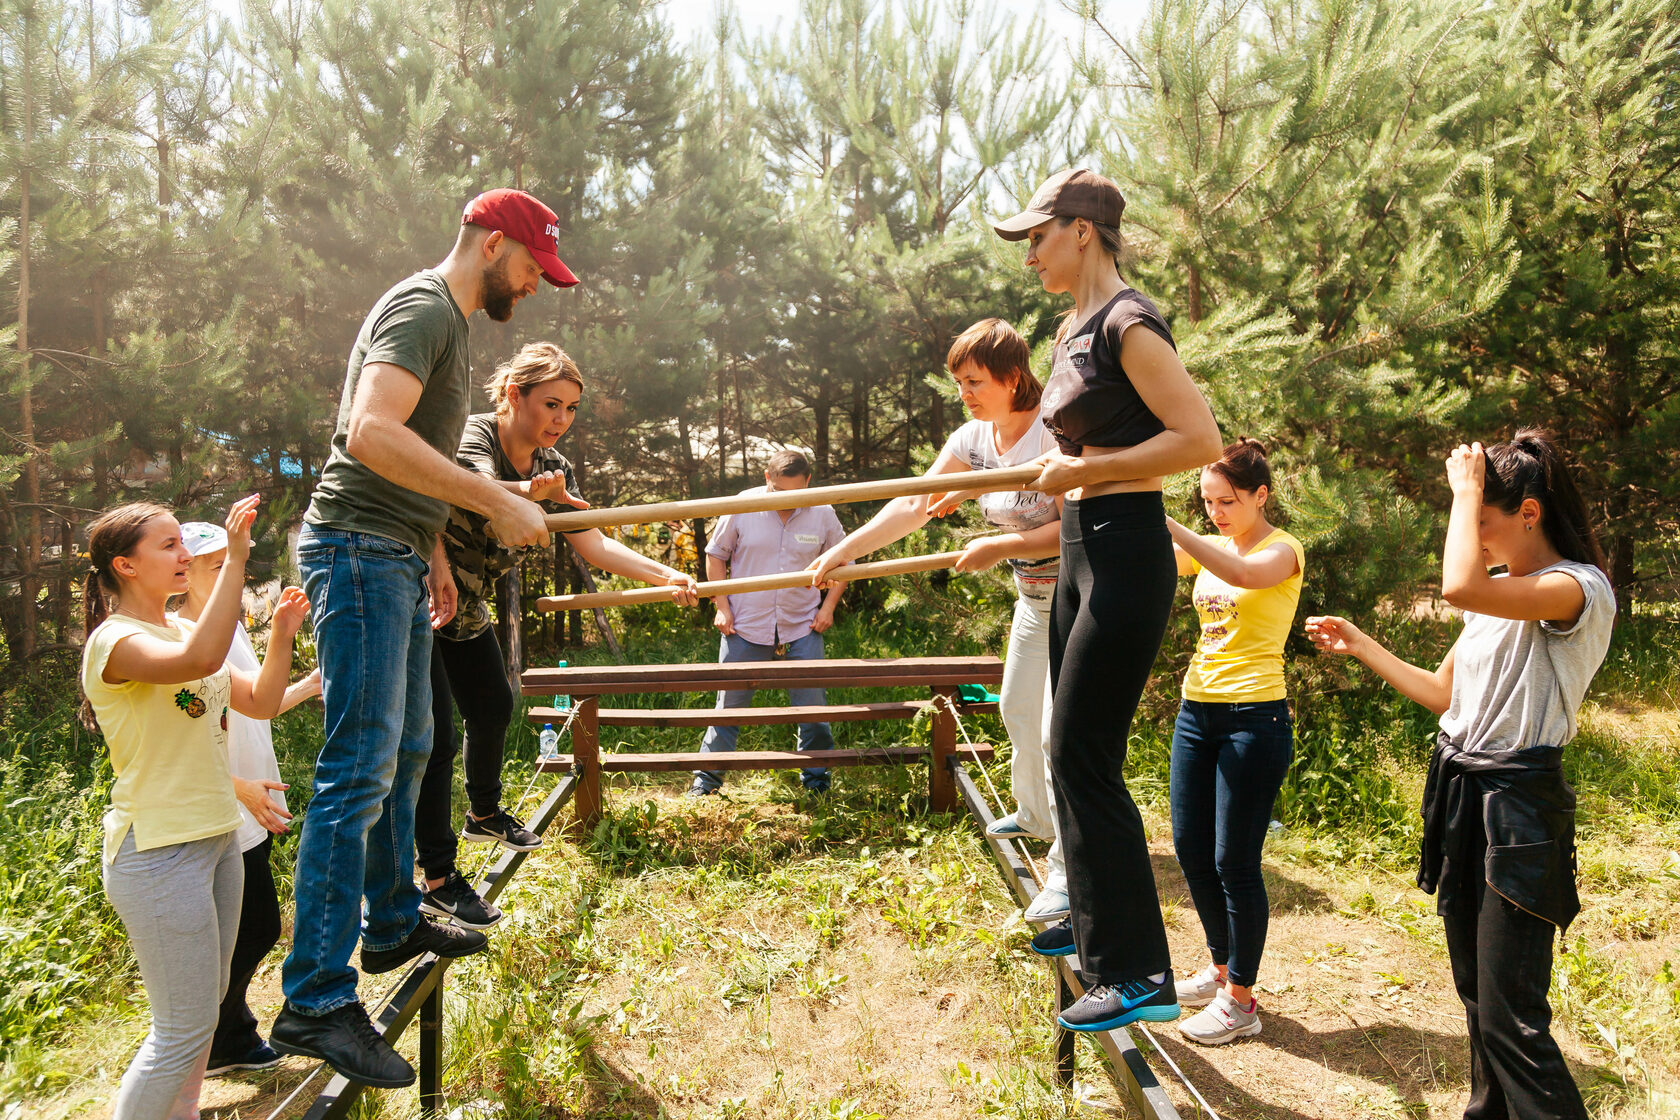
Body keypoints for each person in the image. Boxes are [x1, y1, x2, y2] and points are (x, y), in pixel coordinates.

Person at [273, 188, 566, 1088]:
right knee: (359, 764)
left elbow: (409, 453)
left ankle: (392, 918)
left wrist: (432, 543)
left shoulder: (451, 320)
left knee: (412, 744)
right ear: (490, 245)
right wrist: (496, 501)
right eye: (530, 265)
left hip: (394, 550)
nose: (535, 284)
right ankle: (315, 1001)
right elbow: (367, 433)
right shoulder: (424, 306)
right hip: (356, 550)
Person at [1307, 431, 1613, 1120]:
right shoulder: (1501, 594)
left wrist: (1466, 486)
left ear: (1528, 513)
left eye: (1481, 523)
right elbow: (1446, 696)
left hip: (1518, 809)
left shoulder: (1575, 589)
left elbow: (1454, 584)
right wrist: (1359, 643)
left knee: (1513, 1018)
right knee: (1477, 998)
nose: (1471, 537)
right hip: (1463, 795)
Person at [994, 167, 1223, 1032]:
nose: (1031, 256)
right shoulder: (1069, 331)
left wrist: (1086, 471)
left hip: (1128, 549)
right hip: (1081, 548)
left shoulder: (1128, 322)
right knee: (1064, 744)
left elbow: (1197, 438)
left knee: (1084, 753)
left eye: (1038, 238)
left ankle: (1137, 976)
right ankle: (1088, 931)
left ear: (1082, 229)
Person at [415, 342, 698, 928]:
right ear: (512, 396)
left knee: (493, 707)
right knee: (437, 739)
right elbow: (475, 489)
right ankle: (436, 873)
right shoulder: (474, 438)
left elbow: (592, 543)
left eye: (570, 408)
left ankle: (485, 813)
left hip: (467, 604)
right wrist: (537, 495)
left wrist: (663, 574)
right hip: (421, 595)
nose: (561, 420)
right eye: (551, 404)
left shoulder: (554, 467)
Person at [810, 318, 1069, 918]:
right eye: (960, 384)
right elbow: (912, 503)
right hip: (1033, 599)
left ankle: (1066, 865)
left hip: (1079, 596)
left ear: (1013, 376)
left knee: (1061, 733)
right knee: (1016, 708)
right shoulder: (974, 438)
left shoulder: (1054, 432)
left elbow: (1078, 527)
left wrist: (1001, 547)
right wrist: (846, 550)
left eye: (976, 382)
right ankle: (1034, 814)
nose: (966, 395)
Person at [79, 497, 308, 1120]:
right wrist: (234, 559)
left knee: (203, 1017)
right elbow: (202, 662)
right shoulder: (115, 642)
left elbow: (260, 700)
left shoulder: (181, 628)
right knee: (178, 1030)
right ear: (126, 566)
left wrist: (282, 634)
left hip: (217, 841)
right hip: (156, 853)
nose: (184, 555)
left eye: (187, 544)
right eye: (170, 546)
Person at [1157, 440, 1304, 1045]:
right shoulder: (1210, 547)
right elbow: (1152, 559)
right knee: (1191, 849)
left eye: (1227, 500)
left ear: (1260, 494)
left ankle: (1241, 1001)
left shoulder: (1283, 551)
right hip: (1198, 712)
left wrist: (1164, 518)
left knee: (1233, 861)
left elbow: (1243, 575)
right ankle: (1221, 970)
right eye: (1207, 502)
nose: (1215, 512)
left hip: (1255, 718)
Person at [174, 522, 323, 1076]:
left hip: (249, 805)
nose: (231, 576)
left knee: (252, 926)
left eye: (233, 564)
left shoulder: (229, 629)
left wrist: (305, 687)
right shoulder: (179, 639)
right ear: (182, 574)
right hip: (219, 808)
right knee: (252, 927)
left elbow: (258, 706)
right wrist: (236, 789)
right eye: (218, 566)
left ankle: (227, 1035)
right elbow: (181, 738)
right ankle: (204, 1040)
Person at [691, 448, 846, 796]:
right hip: (744, 625)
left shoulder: (822, 510)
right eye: (780, 492)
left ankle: (817, 783)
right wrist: (722, 606)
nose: (788, 502)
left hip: (802, 624)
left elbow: (844, 561)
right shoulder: (743, 505)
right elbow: (715, 556)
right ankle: (706, 785)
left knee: (814, 711)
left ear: (808, 481)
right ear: (768, 479)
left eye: (797, 493)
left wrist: (828, 607)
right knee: (727, 711)